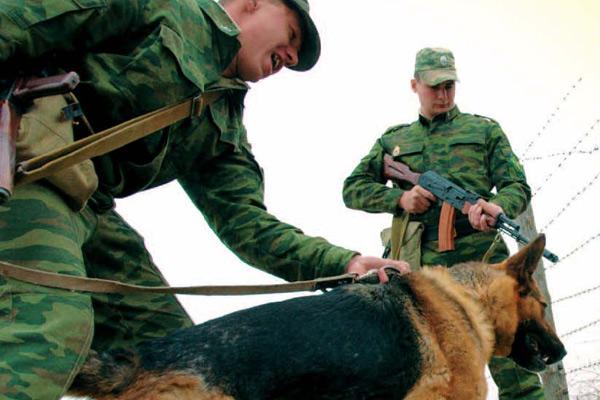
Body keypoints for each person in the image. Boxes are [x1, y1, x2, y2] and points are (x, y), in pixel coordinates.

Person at [0, 1, 408, 399]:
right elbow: (21, 19)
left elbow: (245, 223)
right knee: (48, 328)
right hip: (28, 166)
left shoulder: (223, 125)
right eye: (292, 35)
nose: (291, 56)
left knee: (175, 363)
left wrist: (344, 263)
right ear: (253, 3)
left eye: (296, 54)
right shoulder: (162, 10)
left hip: (86, 203)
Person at [343, 47, 546, 399]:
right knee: (424, 371)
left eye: (449, 85)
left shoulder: (483, 130)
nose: (443, 94)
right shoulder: (394, 141)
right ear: (415, 85)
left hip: (484, 266)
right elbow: (352, 189)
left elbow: (517, 186)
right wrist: (400, 198)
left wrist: (494, 206)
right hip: (420, 274)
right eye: (434, 86)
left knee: (515, 373)